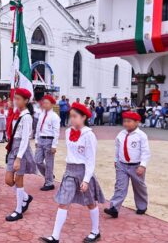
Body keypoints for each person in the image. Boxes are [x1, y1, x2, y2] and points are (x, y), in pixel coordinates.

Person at [40, 102, 105, 243]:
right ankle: (55, 236)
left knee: (90, 202)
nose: (72, 119)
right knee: (63, 202)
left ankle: (95, 231)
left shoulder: (89, 135)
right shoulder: (69, 132)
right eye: (71, 116)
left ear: (83, 117)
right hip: (69, 171)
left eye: (75, 116)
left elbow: (90, 160)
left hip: (83, 172)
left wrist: (86, 179)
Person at [104, 111, 150, 218]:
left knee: (139, 186)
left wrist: (142, 165)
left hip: (136, 166)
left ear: (137, 122)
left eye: (129, 121)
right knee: (120, 186)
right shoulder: (121, 134)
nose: (126, 124)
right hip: (122, 164)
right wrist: (116, 160)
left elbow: (145, 151)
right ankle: (114, 208)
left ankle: (142, 206)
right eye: (124, 121)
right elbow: (117, 148)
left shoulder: (141, 136)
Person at [4, 88, 36, 222]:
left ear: (26, 100)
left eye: (18, 99)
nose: (15, 101)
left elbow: (25, 139)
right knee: (8, 180)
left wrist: (18, 158)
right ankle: (25, 197)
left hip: (21, 150)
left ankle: (18, 210)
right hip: (14, 147)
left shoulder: (27, 117)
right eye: (15, 98)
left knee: (19, 179)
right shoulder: (18, 114)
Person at [35, 95, 60, 191]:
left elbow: (56, 132)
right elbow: (38, 128)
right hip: (41, 139)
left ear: (52, 104)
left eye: (46, 103)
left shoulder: (55, 117)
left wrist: (54, 145)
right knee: (37, 160)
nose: (44, 104)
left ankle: (49, 183)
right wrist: (37, 140)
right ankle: (49, 175)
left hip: (49, 140)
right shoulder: (41, 114)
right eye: (43, 103)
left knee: (49, 163)